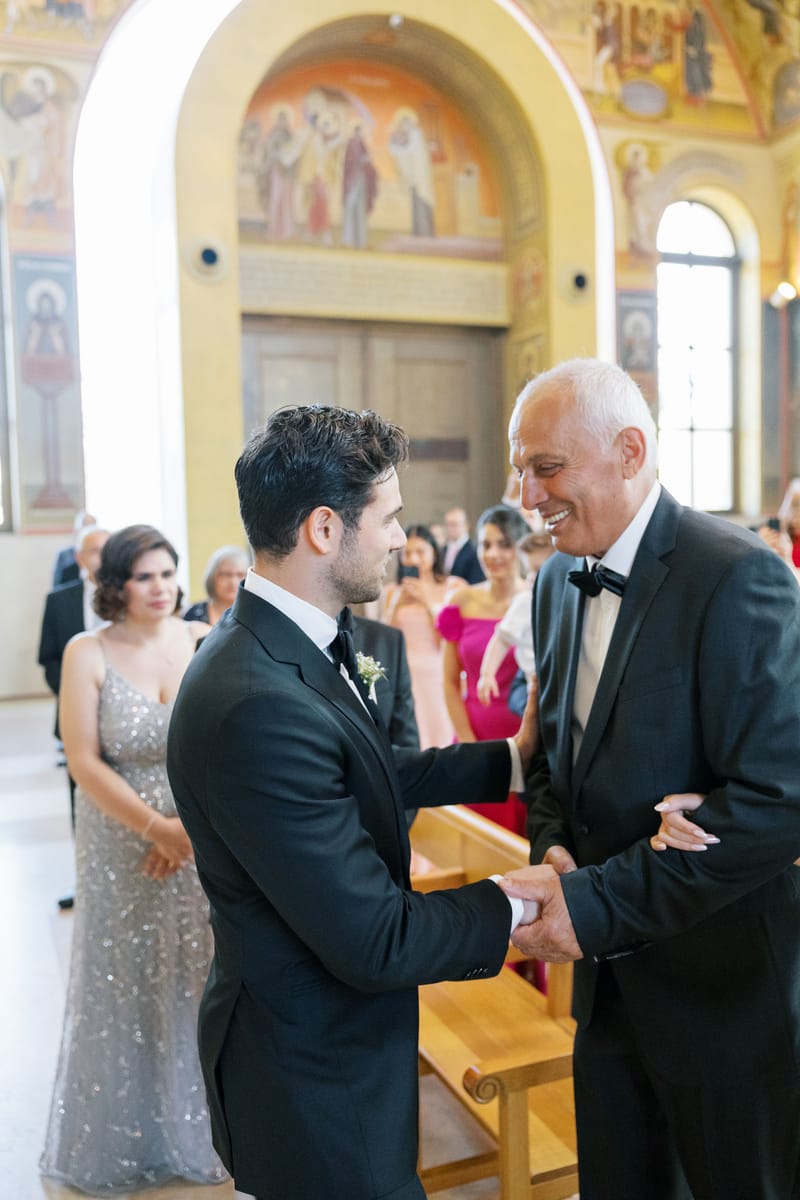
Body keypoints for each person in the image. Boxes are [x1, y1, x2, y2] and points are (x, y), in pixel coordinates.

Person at [166, 405, 540, 1200]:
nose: (401, 538)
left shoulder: (283, 640)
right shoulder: (256, 698)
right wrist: (522, 905)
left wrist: (510, 762)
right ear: (325, 530)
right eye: (390, 517)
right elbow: (376, 939)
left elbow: (363, 771)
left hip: (321, 1045)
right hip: (311, 1075)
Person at [499, 358, 800, 1200]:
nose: (528, 494)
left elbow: (781, 798)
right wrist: (556, 852)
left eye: (546, 466)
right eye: (521, 467)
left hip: (724, 996)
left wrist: (595, 903)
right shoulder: (556, 578)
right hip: (610, 996)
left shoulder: (737, 575)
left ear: (629, 450)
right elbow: (556, 756)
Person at [40, 525, 226, 1195]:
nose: (162, 587)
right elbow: (84, 761)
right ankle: (129, 1131)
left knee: (195, 975)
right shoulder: (86, 652)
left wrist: (191, 834)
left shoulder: (205, 640)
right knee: (124, 975)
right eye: (145, 576)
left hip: (200, 842)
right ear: (116, 584)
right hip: (122, 843)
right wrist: (156, 828)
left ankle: (205, 1124)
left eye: (169, 573)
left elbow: (223, 749)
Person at [437, 504, 531, 834]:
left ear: (522, 547)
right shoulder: (462, 602)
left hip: (524, 738)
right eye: (486, 544)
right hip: (472, 733)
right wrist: (467, 741)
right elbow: (448, 682)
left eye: (504, 544)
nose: (493, 554)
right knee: (475, 842)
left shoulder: (537, 600)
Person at [38, 523, 110, 909]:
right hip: (75, 714)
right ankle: (85, 881)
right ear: (81, 558)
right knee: (79, 798)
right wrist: (75, 697)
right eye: (95, 550)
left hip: (122, 711)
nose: (102, 557)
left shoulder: (126, 596)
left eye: (108, 549)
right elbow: (47, 657)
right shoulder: (60, 600)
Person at [379, 523, 455, 748]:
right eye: (407, 553)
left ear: (433, 553)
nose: (413, 558)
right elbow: (385, 637)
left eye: (420, 552)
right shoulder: (391, 592)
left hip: (437, 671)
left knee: (439, 730)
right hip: (404, 671)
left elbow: (450, 639)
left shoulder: (451, 588)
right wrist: (396, 606)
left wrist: (429, 604)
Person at [183, 544, 250, 626]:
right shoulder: (195, 614)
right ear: (212, 577)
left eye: (240, 575)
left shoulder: (252, 615)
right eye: (226, 574)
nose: (233, 582)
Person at [51, 507, 97, 586]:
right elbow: (57, 584)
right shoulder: (64, 555)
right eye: (85, 525)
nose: (88, 530)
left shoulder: (103, 552)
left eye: (91, 526)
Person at [442, 505, 485, 583]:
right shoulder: (443, 550)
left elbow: (476, 582)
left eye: (454, 524)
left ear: (466, 526)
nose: (450, 528)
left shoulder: (475, 551)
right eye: (448, 524)